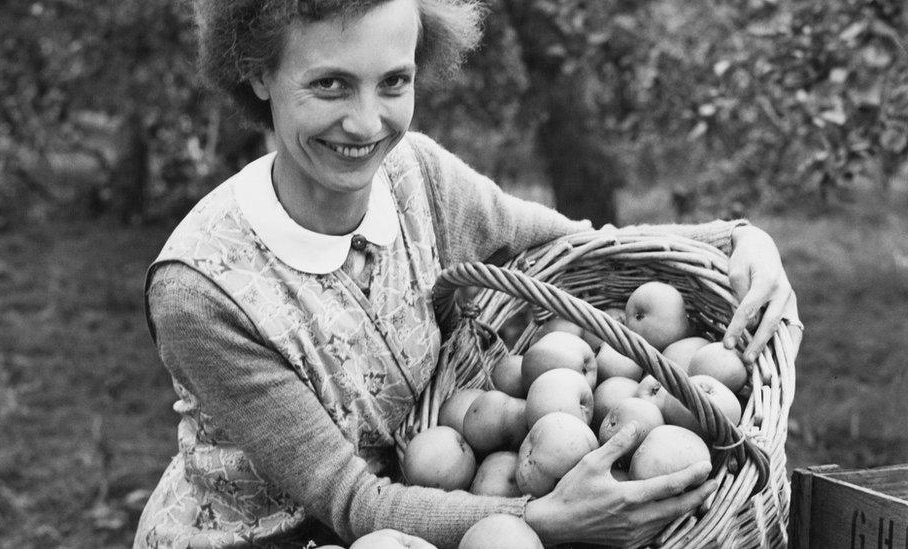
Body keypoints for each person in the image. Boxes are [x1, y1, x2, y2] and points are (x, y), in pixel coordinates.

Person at [134, 0, 801, 547]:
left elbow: (584, 245)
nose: (366, 122)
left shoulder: (416, 177)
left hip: (440, 504)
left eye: (394, 82)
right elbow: (350, 501)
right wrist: (542, 519)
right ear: (258, 75)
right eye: (329, 83)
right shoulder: (202, 289)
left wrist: (735, 240)